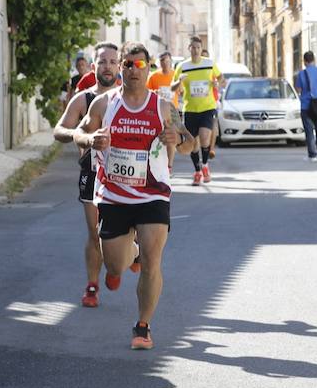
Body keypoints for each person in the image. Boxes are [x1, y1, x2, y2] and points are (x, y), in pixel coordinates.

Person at [74, 44, 195, 349]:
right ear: (121, 69)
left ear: (148, 68)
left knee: (153, 262)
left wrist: (177, 138)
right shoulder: (104, 104)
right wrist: (91, 139)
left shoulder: (164, 108)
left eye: (140, 65)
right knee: (114, 267)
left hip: (153, 194)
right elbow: (79, 133)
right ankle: (130, 256)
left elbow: (190, 145)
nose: (133, 69)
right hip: (114, 196)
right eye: (127, 64)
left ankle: (143, 327)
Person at [53, 42, 121, 308]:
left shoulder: (128, 97)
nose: (107, 66)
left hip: (122, 175)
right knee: (95, 233)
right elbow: (59, 130)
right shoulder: (83, 99)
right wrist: (83, 136)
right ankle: (92, 285)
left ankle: (120, 263)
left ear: (120, 66)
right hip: (91, 172)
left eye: (112, 62)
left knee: (124, 231)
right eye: (102, 62)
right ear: (94, 67)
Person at [171, 37, 222, 186]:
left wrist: (216, 83)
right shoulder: (182, 66)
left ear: (201, 49)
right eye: (193, 47)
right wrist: (179, 81)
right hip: (190, 109)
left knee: (205, 137)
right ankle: (197, 171)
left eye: (198, 47)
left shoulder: (209, 63)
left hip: (207, 107)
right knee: (192, 143)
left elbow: (220, 78)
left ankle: (205, 165)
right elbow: (172, 88)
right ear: (189, 49)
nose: (195, 50)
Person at [294, 51, 317, 162]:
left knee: (309, 131)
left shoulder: (301, 74)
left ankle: (312, 155)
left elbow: (298, 89)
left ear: (305, 61)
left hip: (306, 106)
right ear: (314, 60)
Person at [146, 51, 180, 168]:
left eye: (166, 60)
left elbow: (182, 91)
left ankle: (169, 165)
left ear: (170, 61)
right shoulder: (153, 76)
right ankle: (152, 163)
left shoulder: (175, 75)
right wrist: (154, 92)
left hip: (172, 112)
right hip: (156, 112)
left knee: (171, 138)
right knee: (155, 139)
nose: (164, 63)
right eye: (162, 60)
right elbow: (146, 92)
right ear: (158, 62)